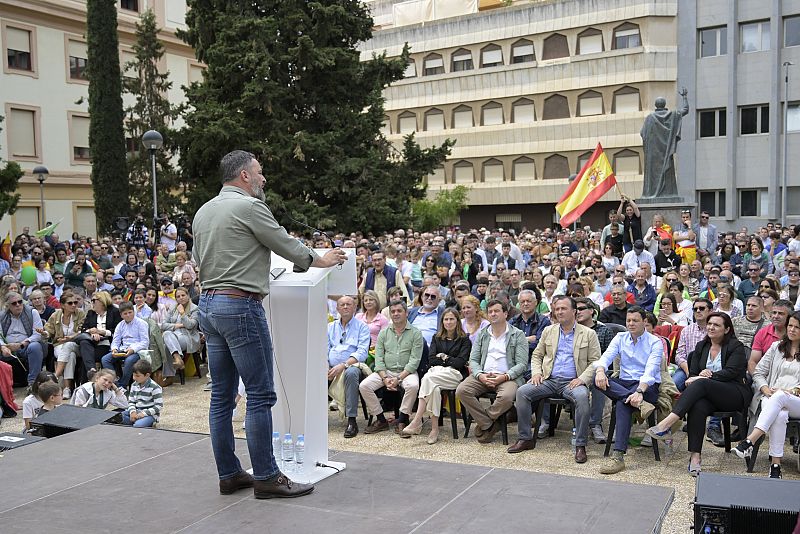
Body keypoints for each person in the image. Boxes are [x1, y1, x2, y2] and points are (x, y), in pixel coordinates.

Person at [194, 150, 343, 498]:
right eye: (259, 173)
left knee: (222, 397)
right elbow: (283, 241)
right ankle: (266, 476)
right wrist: (320, 260)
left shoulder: (203, 211)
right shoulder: (249, 207)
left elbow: (205, 259)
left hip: (210, 304)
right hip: (240, 305)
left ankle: (229, 474)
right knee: (261, 395)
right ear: (244, 175)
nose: (264, 179)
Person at [646, 312, 751, 477]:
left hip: (733, 393)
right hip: (708, 396)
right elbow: (692, 376)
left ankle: (667, 424)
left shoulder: (735, 346)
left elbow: (731, 372)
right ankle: (695, 457)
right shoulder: (701, 348)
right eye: (709, 324)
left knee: (701, 383)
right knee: (698, 405)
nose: (711, 327)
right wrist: (700, 377)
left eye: (716, 325)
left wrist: (707, 376)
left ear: (727, 329)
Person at [508, 296, 600, 463]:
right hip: (549, 379)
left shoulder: (588, 334)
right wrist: (536, 373)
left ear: (574, 311)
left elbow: (595, 361)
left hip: (572, 381)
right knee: (522, 392)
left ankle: (580, 445)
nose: (559, 312)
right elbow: (537, 355)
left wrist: (582, 379)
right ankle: (525, 438)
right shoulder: (548, 331)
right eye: (557, 309)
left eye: (563, 309)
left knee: (581, 397)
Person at [593, 306, 663, 474]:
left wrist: (639, 392)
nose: (631, 324)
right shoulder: (620, 337)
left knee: (623, 404)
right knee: (597, 381)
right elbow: (606, 356)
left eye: (635, 321)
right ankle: (639, 404)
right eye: (628, 320)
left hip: (647, 386)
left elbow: (650, 371)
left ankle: (618, 456)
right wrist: (601, 370)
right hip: (624, 383)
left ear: (644, 322)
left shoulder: (655, 342)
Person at [734, 311, 800, 479]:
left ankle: (750, 441)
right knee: (780, 415)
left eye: (797, 327)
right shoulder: (776, 348)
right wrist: (764, 388)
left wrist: (790, 391)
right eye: (790, 325)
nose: (791, 330)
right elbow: (758, 373)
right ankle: (775, 467)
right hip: (770, 397)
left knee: (780, 397)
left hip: (796, 400)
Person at [456, 299, 528, 444]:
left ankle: (486, 420)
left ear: (505, 314)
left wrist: (505, 376)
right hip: (483, 374)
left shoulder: (517, 334)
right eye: (490, 312)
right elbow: (473, 360)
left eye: (496, 311)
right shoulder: (482, 333)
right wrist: (480, 375)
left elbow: (522, 364)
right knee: (461, 391)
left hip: (507, 377)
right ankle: (490, 424)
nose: (493, 314)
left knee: (507, 397)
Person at [401, 307, 470, 444]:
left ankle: (417, 420)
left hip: (455, 375)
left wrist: (443, 357)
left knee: (427, 378)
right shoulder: (437, 337)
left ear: (457, 321)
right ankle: (434, 429)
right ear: (442, 321)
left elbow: (460, 363)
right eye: (446, 319)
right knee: (434, 388)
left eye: (452, 319)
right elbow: (431, 359)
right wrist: (448, 360)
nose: (448, 322)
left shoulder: (464, 340)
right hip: (436, 373)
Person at [359, 299, 423, 434]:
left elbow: (414, 361)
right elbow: (379, 358)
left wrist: (398, 378)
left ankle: (402, 419)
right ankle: (381, 419)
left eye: (399, 311)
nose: (395, 314)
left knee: (413, 386)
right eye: (393, 311)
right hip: (385, 371)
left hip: (406, 372)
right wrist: (384, 377)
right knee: (364, 386)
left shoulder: (416, 333)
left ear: (406, 313)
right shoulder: (384, 332)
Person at [327, 295, 370, 438]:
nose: (345, 307)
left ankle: (351, 420)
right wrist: (325, 365)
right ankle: (315, 418)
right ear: (337, 308)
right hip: (330, 367)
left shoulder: (362, 327)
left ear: (354, 307)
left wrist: (343, 365)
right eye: (342, 304)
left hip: (352, 365)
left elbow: (362, 352)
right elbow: (324, 349)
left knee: (351, 373)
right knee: (314, 373)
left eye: (348, 304)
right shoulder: (330, 327)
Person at [42, 292, 86, 399]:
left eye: (75, 302)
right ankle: (67, 388)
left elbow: (83, 331)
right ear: (62, 305)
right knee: (70, 356)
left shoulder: (80, 313)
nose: (74, 305)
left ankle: (55, 376)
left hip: (77, 345)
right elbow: (49, 331)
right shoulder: (55, 315)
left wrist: (71, 338)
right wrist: (44, 333)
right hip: (59, 345)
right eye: (70, 303)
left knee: (69, 345)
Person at [0, 291, 44, 387]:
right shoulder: (2, 315)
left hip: (25, 346)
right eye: (14, 303)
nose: (18, 305)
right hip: (7, 347)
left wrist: (21, 344)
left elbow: (37, 335)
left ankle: (33, 383)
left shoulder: (32, 312)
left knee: (35, 346)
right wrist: (3, 346)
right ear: (8, 305)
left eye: (20, 302)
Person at [101, 301, 149, 388]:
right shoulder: (120, 325)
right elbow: (116, 340)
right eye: (125, 313)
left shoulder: (141, 323)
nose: (128, 315)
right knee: (105, 359)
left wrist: (132, 349)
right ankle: (114, 382)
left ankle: (122, 385)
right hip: (123, 349)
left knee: (129, 361)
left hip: (138, 350)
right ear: (121, 315)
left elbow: (145, 342)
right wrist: (114, 349)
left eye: (130, 312)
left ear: (133, 312)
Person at [78, 291, 122, 375]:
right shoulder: (91, 313)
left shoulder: (115, 312)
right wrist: (91, 332)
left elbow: (118, 331)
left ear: (102, 301)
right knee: (84, 343)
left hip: (108, 343)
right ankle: (92, 369)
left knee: (87, 357)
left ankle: (90, 375)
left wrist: (101, 332)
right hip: (92, 342)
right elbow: (84, 329)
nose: (92, 303)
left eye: (94, 301)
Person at [160, 287, 200, 372]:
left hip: (188, 337)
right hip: (174, 336)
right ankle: (177, 358)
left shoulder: (194, 308)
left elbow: (190, 326)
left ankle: (170, 374)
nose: (181, 297)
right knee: (167, 336)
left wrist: (182, 313)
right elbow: (163, 325)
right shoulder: (173, 308)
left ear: (188, 296)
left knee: (167, 342)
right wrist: (178, 325)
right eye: (178, 296)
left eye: (183, 295)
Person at [122, 359, 162, 428]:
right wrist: (132, 412)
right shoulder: (134, 385)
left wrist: (143, 414)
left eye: (137, 376)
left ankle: (142, 423)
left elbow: (158, 406)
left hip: (149, 414)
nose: (134, 378)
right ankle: (135, 421)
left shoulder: (155, 387)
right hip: (136, 411)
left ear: (147, 375)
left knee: (138, 425)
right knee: (118, 416)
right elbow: (131, 401)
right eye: (133, 375)